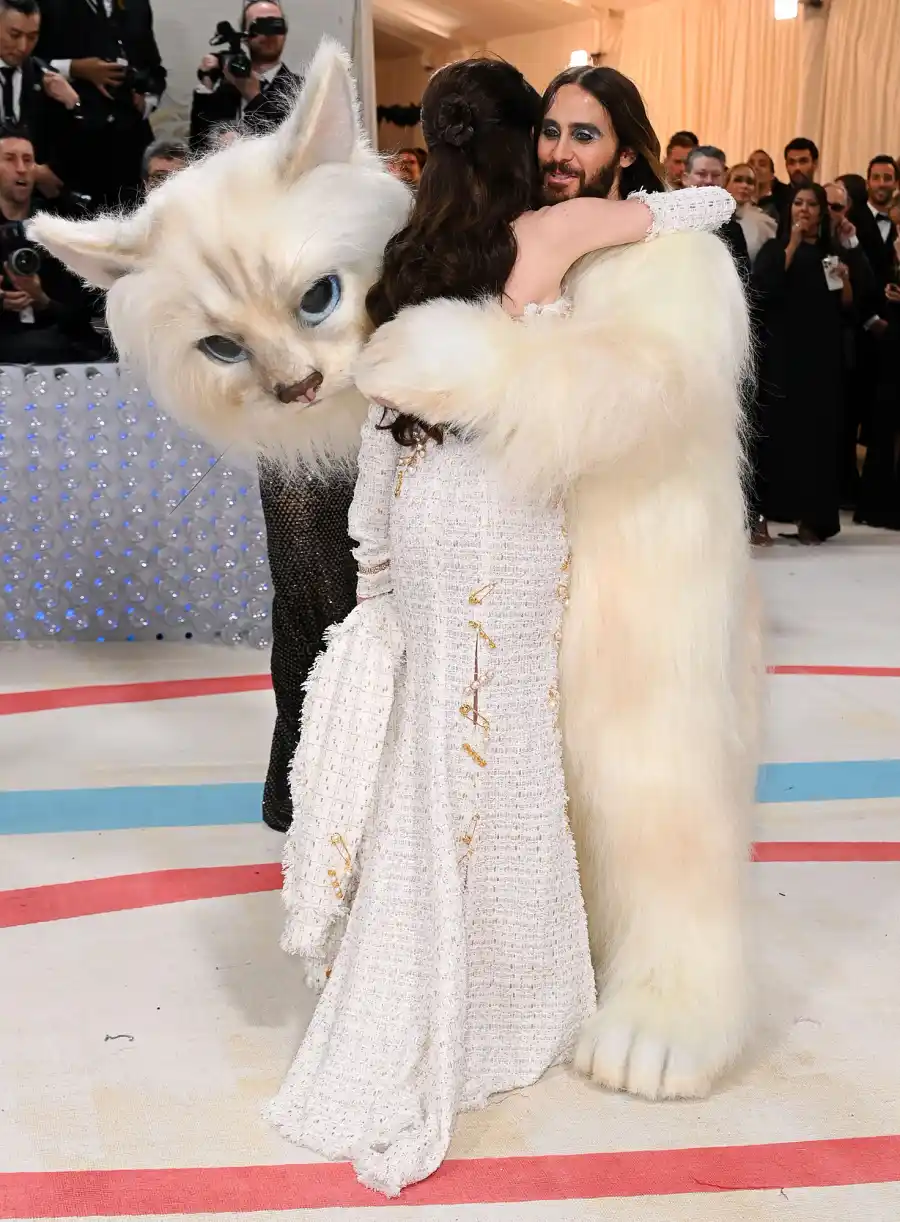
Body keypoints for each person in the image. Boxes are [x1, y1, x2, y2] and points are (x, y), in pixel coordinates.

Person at [356, 59, 754, 1114]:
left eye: (587, 137)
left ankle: (681, 992)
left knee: (652, 789)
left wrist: (474, 363)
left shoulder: (678, 267)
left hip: (648, 578)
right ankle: (544, 969)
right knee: (539, 781)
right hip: (536, 565)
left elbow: (635, 395)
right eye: (552, 133)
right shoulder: (522, 237)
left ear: (626, 147)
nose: (562, 155)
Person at [752, 184, 854, 544]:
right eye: (799, 203)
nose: (805, 210)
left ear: (822, 212)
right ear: (789, 208)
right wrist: (792, 244)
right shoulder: (774, 249)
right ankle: (760, 518)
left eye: (812, 204)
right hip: (781, 355)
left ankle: (813, 520)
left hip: (819, 357)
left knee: (815, 438)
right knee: (774, 433)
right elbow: (764, 291)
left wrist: (845, 281)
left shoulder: (829, 252)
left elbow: (845, 307)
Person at [33, 0, 166, 210]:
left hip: (130, 148)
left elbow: (155, 69)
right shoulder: (47, 4)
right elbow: (24, 59)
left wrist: (147, 98)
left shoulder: (137, 5)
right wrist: (75, 68)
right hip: (68, 147)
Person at [0, 121, 106, 361]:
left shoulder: (57, 227)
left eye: (28, 160)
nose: (21, 168)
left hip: (56, 350)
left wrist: (42, 300)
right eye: (9, 159)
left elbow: (84, 317)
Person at [190, 0, 297, 152]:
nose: (269, 33)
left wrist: (254, 96)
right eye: (259, 26)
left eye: (276, 25)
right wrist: (207, 85)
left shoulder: (303, 90)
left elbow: (293, 147)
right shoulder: (225, 90)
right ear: (244, 37)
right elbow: (198, 152)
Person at [0, 0, 81, 200]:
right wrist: (32, 171)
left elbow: (72, 150)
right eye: (15, 35)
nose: (23, 47)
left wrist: (73, 105)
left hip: (30, 203)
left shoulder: (44, 77)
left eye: (32, 37)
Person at [683, 144, 750, 277]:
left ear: (724, 179)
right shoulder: (667, 220)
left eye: (715, 175)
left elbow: (742, 278)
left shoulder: (733, 229)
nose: (709, 181)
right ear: (685, 178)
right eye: (701, 174)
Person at [726, 161, 776, 265]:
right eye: (738, 180)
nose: (744, 186)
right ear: (726, 184)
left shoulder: (763, 223)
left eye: (750, 182)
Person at [749, 148, 790, 223]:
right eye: (751, 164)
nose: (755, 167)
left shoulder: (785, 199)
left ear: (772, 175)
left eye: (762, 165)